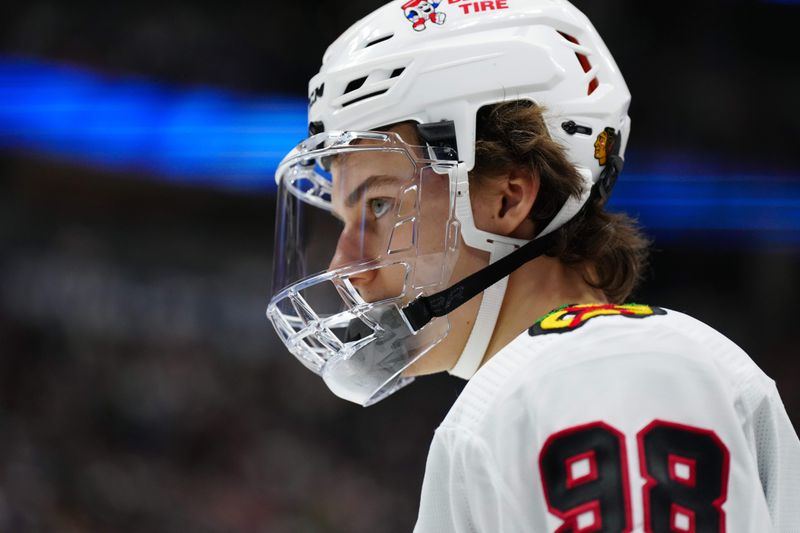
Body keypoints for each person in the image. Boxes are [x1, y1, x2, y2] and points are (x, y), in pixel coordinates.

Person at [267, 0, 800, 531]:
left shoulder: (591, 376)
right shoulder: (541, 386)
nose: (347, 263)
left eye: (379, 205)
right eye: (344, 218)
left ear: (508, 197)